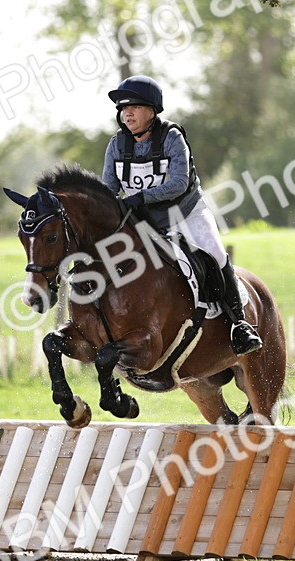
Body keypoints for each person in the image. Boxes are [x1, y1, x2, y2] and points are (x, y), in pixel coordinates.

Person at [100, 75, 262, 356]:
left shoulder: (172, 138)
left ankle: (239, 324)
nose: (127, 113)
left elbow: (178, 183)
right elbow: (108, 190)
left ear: (152, 111)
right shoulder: (116, 145)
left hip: (186, 213)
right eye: (123, 108)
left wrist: (140, 198)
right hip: (146, 222)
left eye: (134, 107)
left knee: (215, 253)